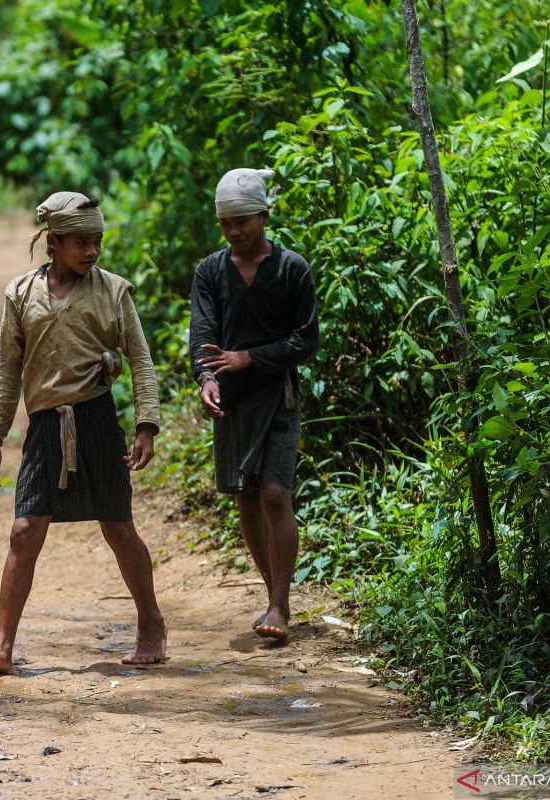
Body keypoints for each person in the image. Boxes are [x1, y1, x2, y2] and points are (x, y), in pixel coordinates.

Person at [0, 192, 166, 675]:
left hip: (96, 421)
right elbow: (7, 372)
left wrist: (146, 423)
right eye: (80, 242)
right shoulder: (20, 294)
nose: (91, 251)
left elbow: (140, 359)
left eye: (96, 241)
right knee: (24, 531)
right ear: (53, 242)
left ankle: (151, 623)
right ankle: (2, 646)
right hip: (45, 427)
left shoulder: (113, 291)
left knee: (117, 527)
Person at [189, 168, 319, 640]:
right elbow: (203, 336)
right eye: (226, 224)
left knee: (274, 493)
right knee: (245, 496)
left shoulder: (292, 269)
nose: (234, 231)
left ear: (264, 216)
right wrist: (206, 378)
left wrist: (251, 357)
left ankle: (279, 605)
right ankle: (273, 598)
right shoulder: (210, 271)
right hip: (231, 400)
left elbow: (306, 340)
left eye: (242, 221)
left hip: (277, 395)